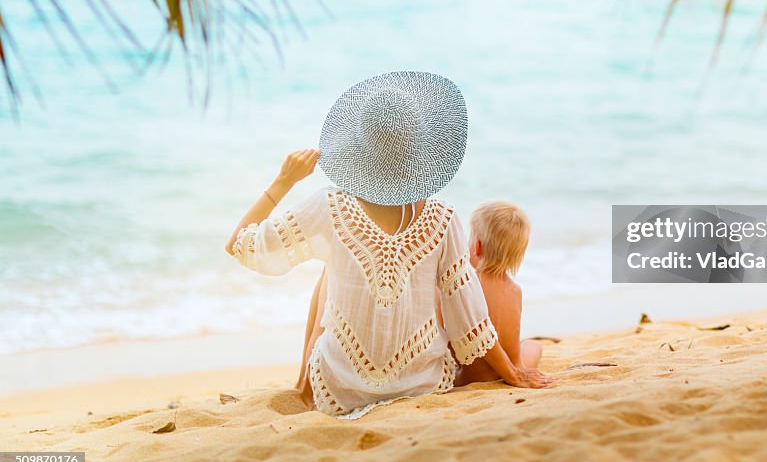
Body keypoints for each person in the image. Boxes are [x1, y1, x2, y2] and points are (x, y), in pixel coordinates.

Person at [225, 71, 550, 420]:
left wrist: (283, 180)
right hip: (422, 383)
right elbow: (469, 317)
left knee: (330, 265)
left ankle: (303, 384)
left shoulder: (330, 207)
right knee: (342, 264)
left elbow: (241, 246)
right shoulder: (444, 219)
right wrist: (512, 371)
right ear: (420, 149)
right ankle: (312, 383)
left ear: (359, 147)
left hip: (339, 389)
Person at [454, 201, 542, 386]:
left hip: (469, 379)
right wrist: (518, 368)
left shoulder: (468, 284)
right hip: (507, 370)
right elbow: (513, 350)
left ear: (477, 247)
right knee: (534, 346)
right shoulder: (515, 291)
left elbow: (461, 342)